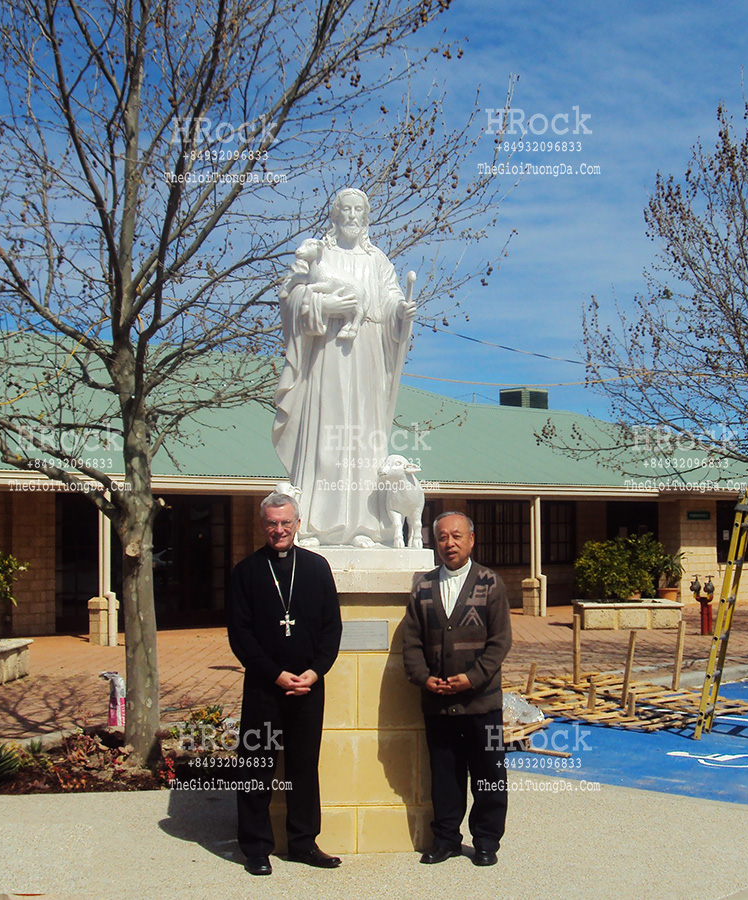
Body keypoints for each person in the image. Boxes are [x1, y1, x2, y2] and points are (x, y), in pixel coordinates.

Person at [272, 187, 417, 547]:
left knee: (364, 438)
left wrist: (400, 313)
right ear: (335, 215)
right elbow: (289, 297)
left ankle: (364, 526)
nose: (352, 216)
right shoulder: (319, 253)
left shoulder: (378, 260)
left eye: (359, 210)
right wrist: (324, 306)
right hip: (328, 356)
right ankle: (317, 526)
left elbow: (390, 298)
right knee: (327, 434)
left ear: (366, 217)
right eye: (346, 210)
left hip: (368, 354)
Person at [226, 491, 343, 876]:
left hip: (309, 686)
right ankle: (256, 847)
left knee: (303, 767)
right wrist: (275, 674)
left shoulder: (316, 568)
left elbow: (331, 628)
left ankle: (303, 842)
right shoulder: (245, 572)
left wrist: (315, 671)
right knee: (257, 764)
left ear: (297, 524)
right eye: (272, 523)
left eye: (285, 523)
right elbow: (240, 636)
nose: (279, 529)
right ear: (262, 526)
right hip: (264, 687)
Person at [401, 511, 512, 867]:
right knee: (445, 775)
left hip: (482, 703)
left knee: (489, 773)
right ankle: (446, 838)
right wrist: (423, 677)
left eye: (457, 536)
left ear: (471, 540)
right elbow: (412, 642)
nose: (449, 543)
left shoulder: (490, 583)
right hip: (438, 704)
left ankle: (486, 841)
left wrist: (473, 678)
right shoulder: (422, 586)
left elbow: (500, 642)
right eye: (443, 537)